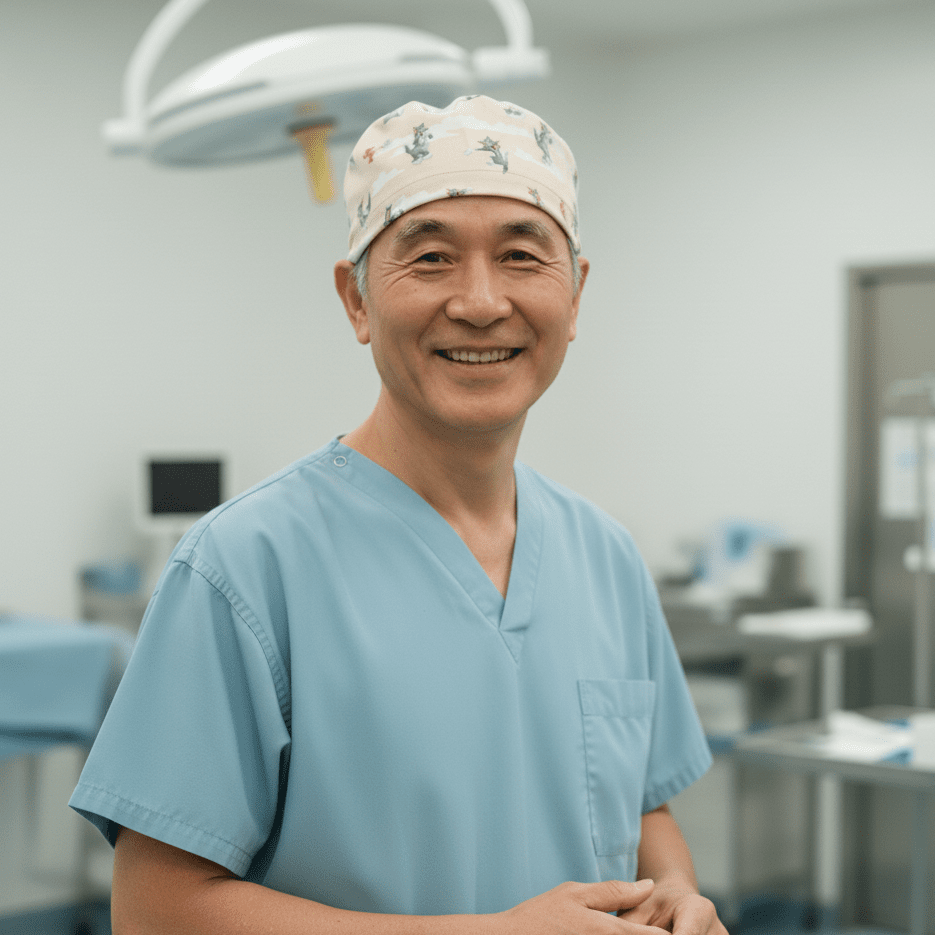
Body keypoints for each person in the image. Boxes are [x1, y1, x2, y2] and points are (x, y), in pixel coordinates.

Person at [70, 95, 724, 935]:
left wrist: (671, 890)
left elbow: (641, 813)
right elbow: (157, 911)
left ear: (576, 292)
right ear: (356, 299)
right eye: (431, 259)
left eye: (522, 255)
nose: (482, 301)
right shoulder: (245, 566)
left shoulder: (605, 555)